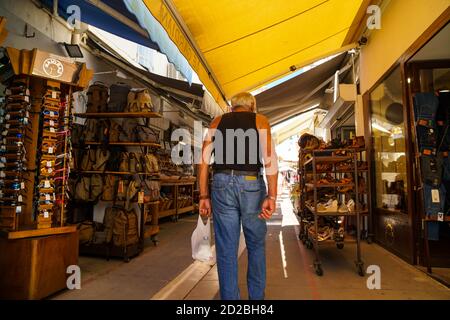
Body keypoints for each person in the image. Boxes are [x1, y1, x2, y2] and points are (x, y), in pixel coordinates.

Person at [198, 92, 278, 300]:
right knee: (256, 244)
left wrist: (203, 195)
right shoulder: (260, 120)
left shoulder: (217, 121)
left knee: (226, 248)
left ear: (232, 107)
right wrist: (272, 195)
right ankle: (256, 300)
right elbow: (269, 158)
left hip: (222, 184)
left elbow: (204, 161)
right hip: (251, 184)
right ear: (252, 106)